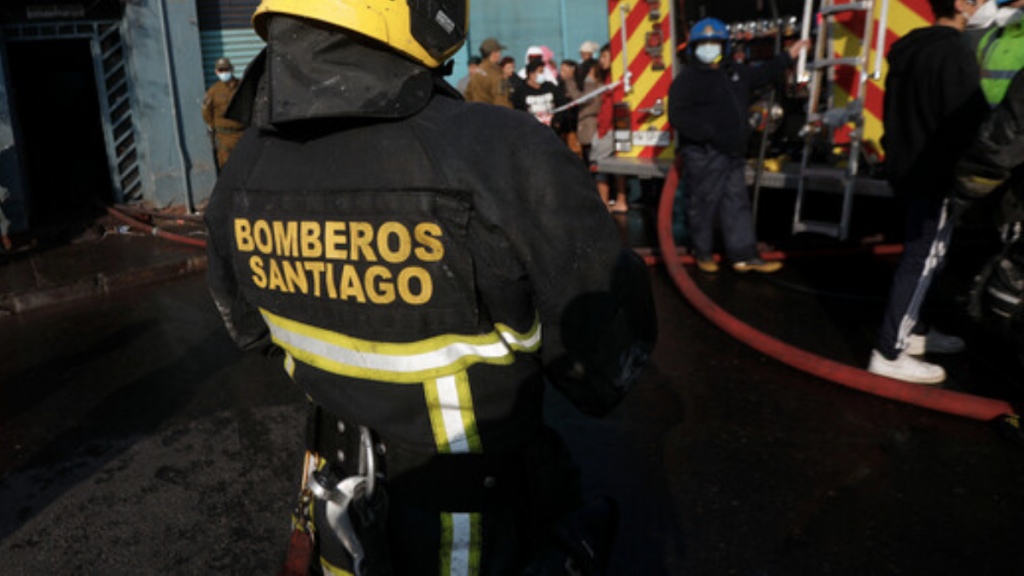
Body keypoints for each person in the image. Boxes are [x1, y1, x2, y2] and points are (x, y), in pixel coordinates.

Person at [204, 0, 657, 574]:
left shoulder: (241, 171)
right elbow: (604, 364)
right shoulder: (500, 150)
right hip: (475, 532)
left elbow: (250, 331)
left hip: (340, 513)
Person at [866, 0, 990, 384]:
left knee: (923, 256)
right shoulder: (955, 53)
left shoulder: (910, 47)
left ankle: (915, 331)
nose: (985, 5)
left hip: (908, 168)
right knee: (924, 258)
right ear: (960, 5)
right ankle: (890, 352)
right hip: (935, 174)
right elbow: (969, 121)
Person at [668, 18, 808, 274]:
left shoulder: (734, 73)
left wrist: (789, 55)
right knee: (704, 204)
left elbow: (762, 74)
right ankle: (703, 252)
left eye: (715, 43)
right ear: (693, 48)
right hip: (705, 153)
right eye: (704, 44)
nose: (709, 48)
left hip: (732, 153)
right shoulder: (687, 80)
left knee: (736, 203)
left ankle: (743, 255)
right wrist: (708, 134)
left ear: (725, 46)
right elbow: (678, 116)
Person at [591, 43, 630, 213]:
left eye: (605, 56)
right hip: (617, 129)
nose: (601, 60)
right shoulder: (613, 78)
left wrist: (602, 131)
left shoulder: (612, 80)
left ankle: (603, 202)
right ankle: (621, 201)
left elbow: (609, 108)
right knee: (618, 166)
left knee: (598, 164)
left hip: (608, 129)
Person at [201, 57, 245, 169]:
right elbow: (206, 112)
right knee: (227, 169)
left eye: (226, 69)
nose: (224, 73)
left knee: (246, 167)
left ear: (232, 69)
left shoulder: (242, 86)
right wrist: (213, 126)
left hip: (242, 134)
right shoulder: (213, 91)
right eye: (221, 71)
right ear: (216, 72)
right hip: (224, 137)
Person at [512, 60, 567, 127]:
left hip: (551, 128)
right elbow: (518, 110)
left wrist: (557, 121)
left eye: (543, 72)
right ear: (531, 74)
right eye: (540, 72)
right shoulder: (520, 91)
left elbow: (561, 103)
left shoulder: (550, 87)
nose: (543, 74)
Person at [464, 37, 512, 108]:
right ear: (494, 53)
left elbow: (467, 95)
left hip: (476, 113)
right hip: (492, 115)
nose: (500, 54)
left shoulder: (477, 71)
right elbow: (502, 103)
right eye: (499, 51)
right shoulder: (497, 76)